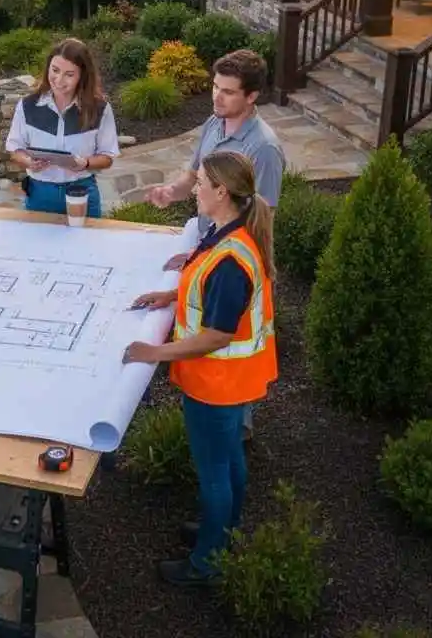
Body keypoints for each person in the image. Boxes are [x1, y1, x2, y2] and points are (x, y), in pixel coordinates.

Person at [122, 150, 277, 587]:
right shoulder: (229, 233)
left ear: (221, 192)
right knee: (229, 462)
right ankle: (225, 530)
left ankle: (207, 563)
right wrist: (168, 297)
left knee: (214, 474)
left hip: (217, 384)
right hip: (232, 382)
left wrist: (153, 354)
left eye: (201, 184)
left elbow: (216, 336)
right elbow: (203, 285)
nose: (194, 189)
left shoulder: (231, 259)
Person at [146, 48, 283, 441]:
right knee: (204, 320)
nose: (216, 97)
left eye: (227, 91)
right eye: (214, 87)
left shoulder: (265, 149)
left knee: (230, 334)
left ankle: (238, 426)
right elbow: (194, 173)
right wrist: (172, 192)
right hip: (211, 241)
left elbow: (263, 216)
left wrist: (215, 256)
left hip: (233, 251)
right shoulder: (214, 122)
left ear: (252, 96)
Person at [5, 37, 120, 219]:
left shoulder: (99, 109)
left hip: (82, 193)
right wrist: (28, 162)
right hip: (39, 194)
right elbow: (14, 150)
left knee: (85, 246)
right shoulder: (27, 106)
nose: (58, 80)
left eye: (69, 74)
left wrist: (86, 163)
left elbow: (107, 157)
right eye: (55, 70)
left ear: (82, 75)